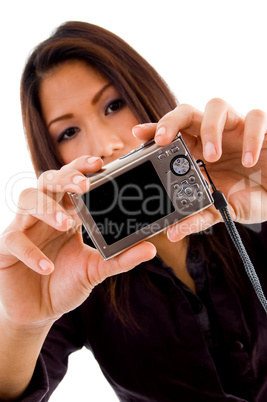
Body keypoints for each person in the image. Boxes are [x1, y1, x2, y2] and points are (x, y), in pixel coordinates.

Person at [0, 21, 267, 402]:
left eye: (113, 105)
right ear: (52, 156)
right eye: (68, 133)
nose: (105, 143)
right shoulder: (71, 270)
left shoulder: (246, 200)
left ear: (146, 96)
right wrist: (19, 324)